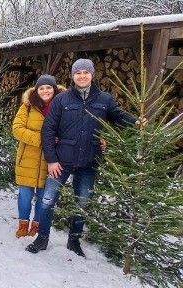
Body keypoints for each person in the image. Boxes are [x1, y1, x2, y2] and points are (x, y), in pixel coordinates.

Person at [26, 59, 141, 257]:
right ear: (72, 76)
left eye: (85, 72)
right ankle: (42, 238)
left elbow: (118, 116)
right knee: (46, 200)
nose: (82, 76)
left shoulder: (104, 99)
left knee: (83, 203)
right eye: (77, 73)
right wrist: (52, 160)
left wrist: (137, 122)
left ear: (92, 75)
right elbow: (48, 130)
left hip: (89, 161)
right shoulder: (62, 100)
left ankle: (73, 241)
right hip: (61, 160)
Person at [12, 75, 65, 237]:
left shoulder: (63, 106)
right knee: (24, 195)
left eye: (49, 87)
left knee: (44, 197)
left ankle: (36, 224)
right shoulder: (27, 106)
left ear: (54, 89)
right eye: (41, 88)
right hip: (27, 158)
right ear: (36, 90)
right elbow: (17, 128)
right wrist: (42, 139)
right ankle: (23, 224)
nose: (45, 91)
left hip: (51, 160)